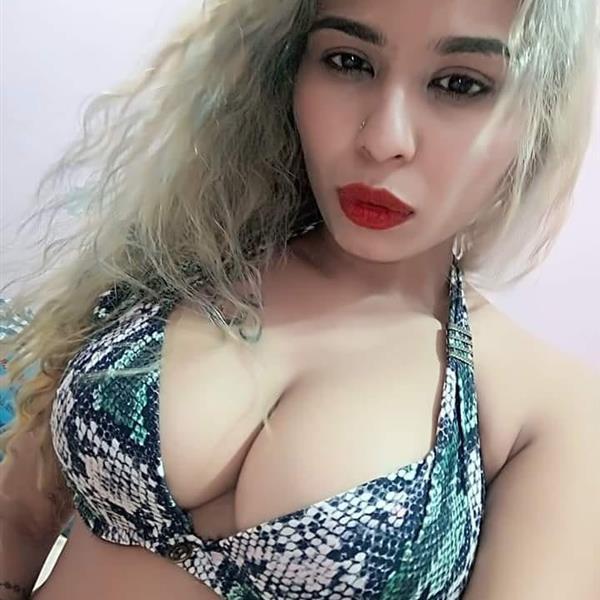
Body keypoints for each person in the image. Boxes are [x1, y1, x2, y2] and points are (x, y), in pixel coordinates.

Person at [1, 0, 599, 598]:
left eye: (459, 84)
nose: (384, 140)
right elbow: (19, 517)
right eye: (349, 61)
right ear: (287, 69)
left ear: (538, 115)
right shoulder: (180, 257)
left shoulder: (549, 410)